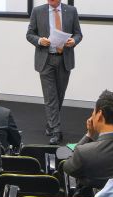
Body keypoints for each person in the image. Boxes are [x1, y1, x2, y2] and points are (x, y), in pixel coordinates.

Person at [26, 0, 83, 145]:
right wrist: (39, 41)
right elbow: (29, 34)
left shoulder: (71, 11)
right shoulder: (37, 11)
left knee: (59, 95)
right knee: (50, 96)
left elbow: (78, 34)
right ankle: (57, 131)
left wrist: (73, 41)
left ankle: (51, 123)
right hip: (46, 60)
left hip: (64, 59)